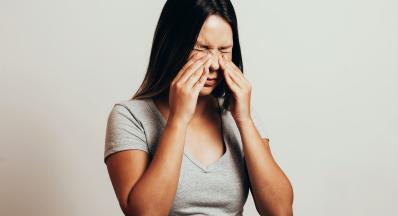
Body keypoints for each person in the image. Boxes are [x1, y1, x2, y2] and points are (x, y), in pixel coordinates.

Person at [104, 0, 294, 215]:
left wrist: (245, 120)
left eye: (224, 51)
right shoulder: (130, 116)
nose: (214, 64)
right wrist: (178, 119)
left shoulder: (239, 114)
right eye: (201, 49)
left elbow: (280, 211)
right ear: (172, 46)